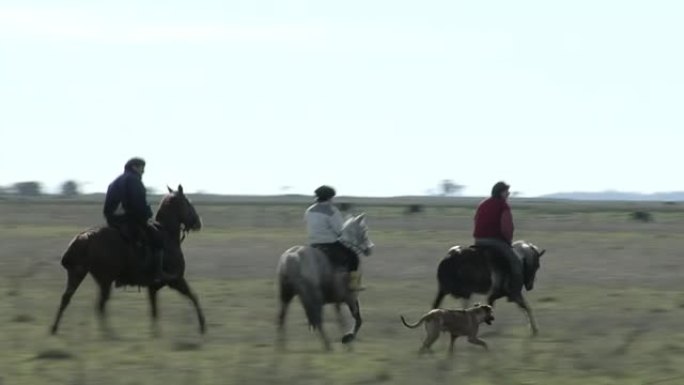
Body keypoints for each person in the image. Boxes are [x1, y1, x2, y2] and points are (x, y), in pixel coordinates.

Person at [103, 157, 173, 283]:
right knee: (157, 237)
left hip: (113, 220)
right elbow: (137, 203)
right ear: (134, 167)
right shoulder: (133, 180)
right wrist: (148, 214)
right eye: (142, 167)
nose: (143, 171)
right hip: (129, 219)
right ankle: (158, 273)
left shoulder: (115, 181)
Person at [304, 185, 364, 291]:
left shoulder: (309, 210)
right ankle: (353, 285)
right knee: (354, 257)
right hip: (329, 244)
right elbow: (340, 230)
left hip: (313, 244)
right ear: (330, 197)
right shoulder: (332, 210)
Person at [473, 181, 523, 301]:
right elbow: (507, 227)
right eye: (507, 191)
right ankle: (515, 293)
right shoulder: (503, 205)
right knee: (517, 262)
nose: (508, 194)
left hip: (478, 241)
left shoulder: (483, 203)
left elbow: (475, 220)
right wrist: (508, 241)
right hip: (495, 241)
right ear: (501, 192)